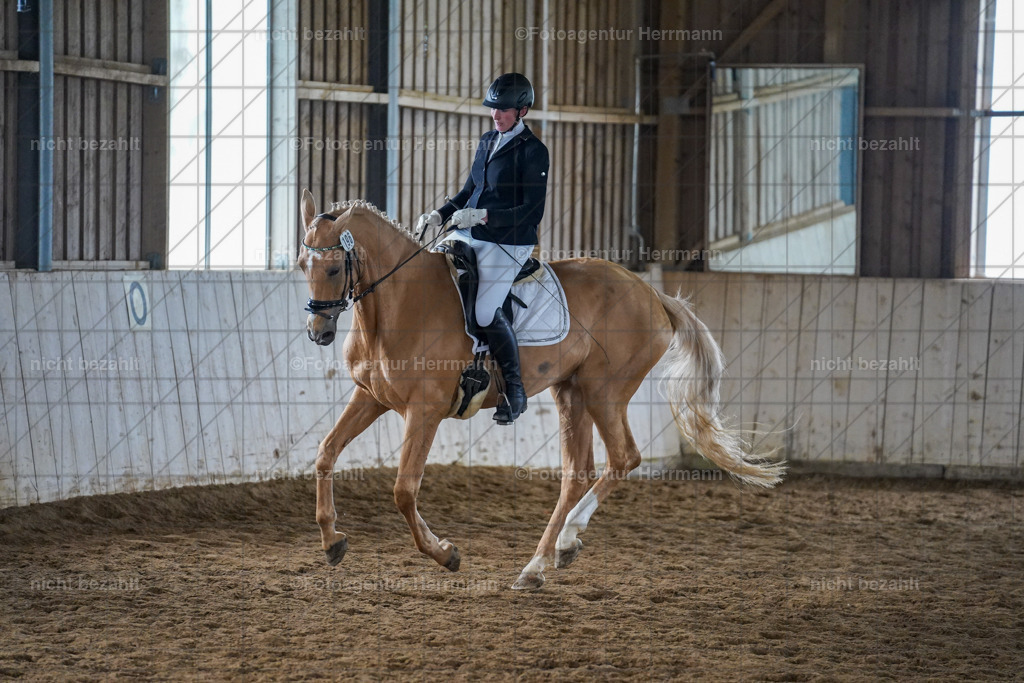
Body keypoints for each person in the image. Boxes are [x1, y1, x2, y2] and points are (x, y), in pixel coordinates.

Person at [416, 72, 549, 425]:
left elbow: (531, 211)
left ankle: (515, 389)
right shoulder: (488, 140)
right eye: (494, 108)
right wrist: (439, 214)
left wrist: (486, 216)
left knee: (486, 311)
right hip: (472, 232)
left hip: (509, 242)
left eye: (503, 110)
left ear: (522, 111)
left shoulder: (535, 153)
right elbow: (467, 192)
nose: (496, 115)